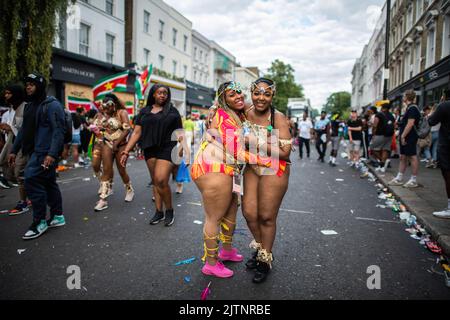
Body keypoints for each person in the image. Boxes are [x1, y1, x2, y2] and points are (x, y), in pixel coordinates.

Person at [190, 81, 248, 278]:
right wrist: (268, 158)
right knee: (214, 216)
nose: (238, 96)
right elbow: (237, 151)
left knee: (232, 208)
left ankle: (227, 250)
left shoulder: (237, 113)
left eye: (240, 92)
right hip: (214, 168)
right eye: (232, 94)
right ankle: (211, 263)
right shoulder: (223, 116)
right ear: (223, 99)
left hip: (232, 169)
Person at [242, 78, 291, 283]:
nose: (261, 98)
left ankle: (264, 259)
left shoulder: (277, 118)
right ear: (251, 93)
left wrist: (256, 142)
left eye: (266, 94)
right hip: (252, 166)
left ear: (272, 96)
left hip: (274, 166)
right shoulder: (245, 110)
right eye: (257, 93)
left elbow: (285, 153)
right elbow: (223, 104)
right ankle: (263, 248)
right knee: (249, 212)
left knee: (266, 216)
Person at [9, 72, 66, 240]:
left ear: (40, 86)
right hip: (34, 150)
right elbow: (23, 131)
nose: (28, 87)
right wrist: (14, 150)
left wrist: (52, 154)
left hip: (45, 152)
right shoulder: (30, 105)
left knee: (31, 179)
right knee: (48, 183)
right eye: (26, 84)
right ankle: (57, 216)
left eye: (32, 84)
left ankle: (39, 221)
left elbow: (58, 131)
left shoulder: (52, 105)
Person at [121, 84, 182, 227]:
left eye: (165, 93)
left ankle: (170, 210)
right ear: (153, 94)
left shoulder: (172, 112)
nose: (162, 95)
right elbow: (136, 133)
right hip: (149, 148)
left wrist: (183, 151)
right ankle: (158, 211)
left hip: (167, 147)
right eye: (159, 92)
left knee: (161, 179)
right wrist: (126, 151)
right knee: (155, 181)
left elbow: (180, 133)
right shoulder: (144, 112)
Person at [94, 94, 134, 211]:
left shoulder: (122, 113)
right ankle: (103, 199)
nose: (106, 111)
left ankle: (129, 190)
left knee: (121, 170)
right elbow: (102, 130)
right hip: (107, 144)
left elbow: (127, 130)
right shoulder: (104, 115)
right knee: (106, 170)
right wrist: (98, 130)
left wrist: (117, 144)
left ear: (113, 105)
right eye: (104, 108)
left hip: (120, 145)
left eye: (108, 108)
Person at [0, 84, 30, 215]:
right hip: (16, 146)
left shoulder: (24, 108)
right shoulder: (12, 110)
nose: (6, 96)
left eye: (9, 93)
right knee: (19, 174)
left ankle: (24, 202)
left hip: (25, 147)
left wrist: (10, 128)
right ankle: (29, 199)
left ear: (16, 94)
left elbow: (24, 132)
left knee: (20, 174)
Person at [389, 90, 421, 188]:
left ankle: (413, 180)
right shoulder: (409, 108)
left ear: (407, 97)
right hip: (406, 136)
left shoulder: (412, 108)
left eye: (404, 96)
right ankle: (399, 178)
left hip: (409, 136)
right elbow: (406, 122)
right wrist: (399, 124)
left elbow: (410, 123)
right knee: (403, 157)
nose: (403, 98)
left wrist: (403, 135)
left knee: (412, 156)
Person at [429, 89, 450, 218]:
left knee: (447, 174)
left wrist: (438, 106)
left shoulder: (444, 105)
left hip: (447, 145)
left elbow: (431, 121)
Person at [372, 102, 395, 173]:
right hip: (389, 135)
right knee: (385, 149)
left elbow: (375, 125)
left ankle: (382, 162)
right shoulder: (391, 115)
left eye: (381, 107)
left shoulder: (379, 114)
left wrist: (373, 134)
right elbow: (394, 125)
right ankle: (382, 165)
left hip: (380, 134)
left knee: (373, 149)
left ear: (383, 108)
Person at [428, 104, 440, 169]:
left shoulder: (431, 115)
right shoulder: (440, 115)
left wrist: (431, 112)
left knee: (427, 148)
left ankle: (430, 161)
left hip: (431, 133)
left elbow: (427, 120)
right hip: (438, 132)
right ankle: (434, 161)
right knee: (435, 149)